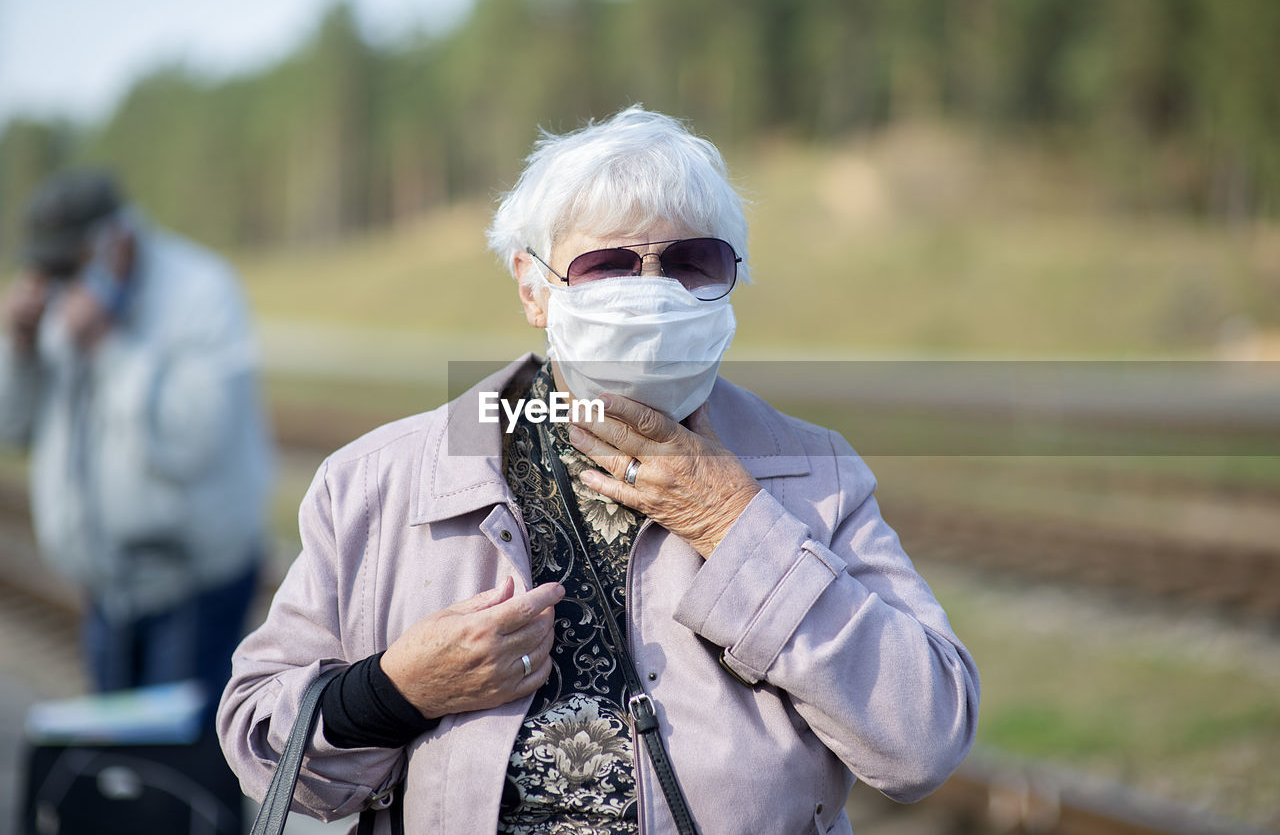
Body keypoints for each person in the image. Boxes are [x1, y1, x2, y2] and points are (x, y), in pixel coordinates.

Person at [218, 107, 979, 834]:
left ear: (730, 280)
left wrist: (739, 526)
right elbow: (259, 739)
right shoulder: (379, 483)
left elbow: (924, 738)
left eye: (690, 261)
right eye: (607, 265)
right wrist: (391, 692)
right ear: (533, 288)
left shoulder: (813, 472)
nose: (651, 292)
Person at [0, 169, 274, 707]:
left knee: (181, 767)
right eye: (44, 266)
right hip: (107, 587)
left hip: (195, 585)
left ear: (113, 239)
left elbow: (195, 438)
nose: (57, 280)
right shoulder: (61, 306)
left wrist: (108, 346)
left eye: (67, 262)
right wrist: (18, 349)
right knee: (122, 760)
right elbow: (12, 428)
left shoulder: (201, 290)